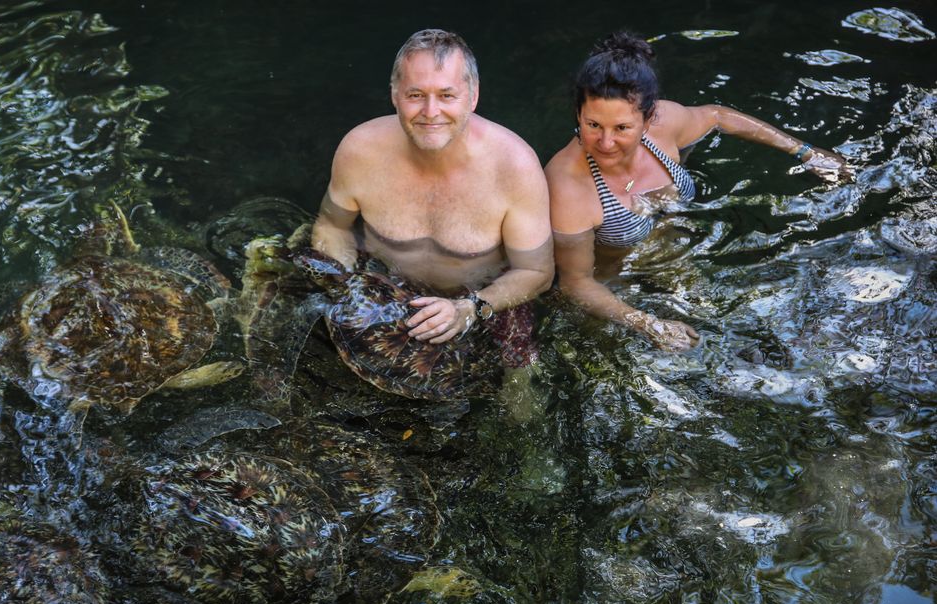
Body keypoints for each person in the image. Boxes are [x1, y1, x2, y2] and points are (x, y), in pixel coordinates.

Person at [545, 32, 851, 351]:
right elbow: (576, 283)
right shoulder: (567, 184)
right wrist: (646, 324)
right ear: (579, 114)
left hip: (680, 253)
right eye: (593, 125)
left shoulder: (665, 126)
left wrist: (805, 152)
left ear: (649, 119)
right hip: (619, 288)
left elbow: (718, 116)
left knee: (770, 322)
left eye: (622, 128)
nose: (606, 143)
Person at [312, 29, 553, 374]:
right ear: (395, 94)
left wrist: (470, 308)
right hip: (386, 292)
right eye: (415, 94)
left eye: (447, 95)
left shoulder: (514, 166)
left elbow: (536, 272)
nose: (430, 111)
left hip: (484, 298)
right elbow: (332, 226)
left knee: (522, 394)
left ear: (472, 96)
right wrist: (348, 285)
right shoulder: (359, 151)